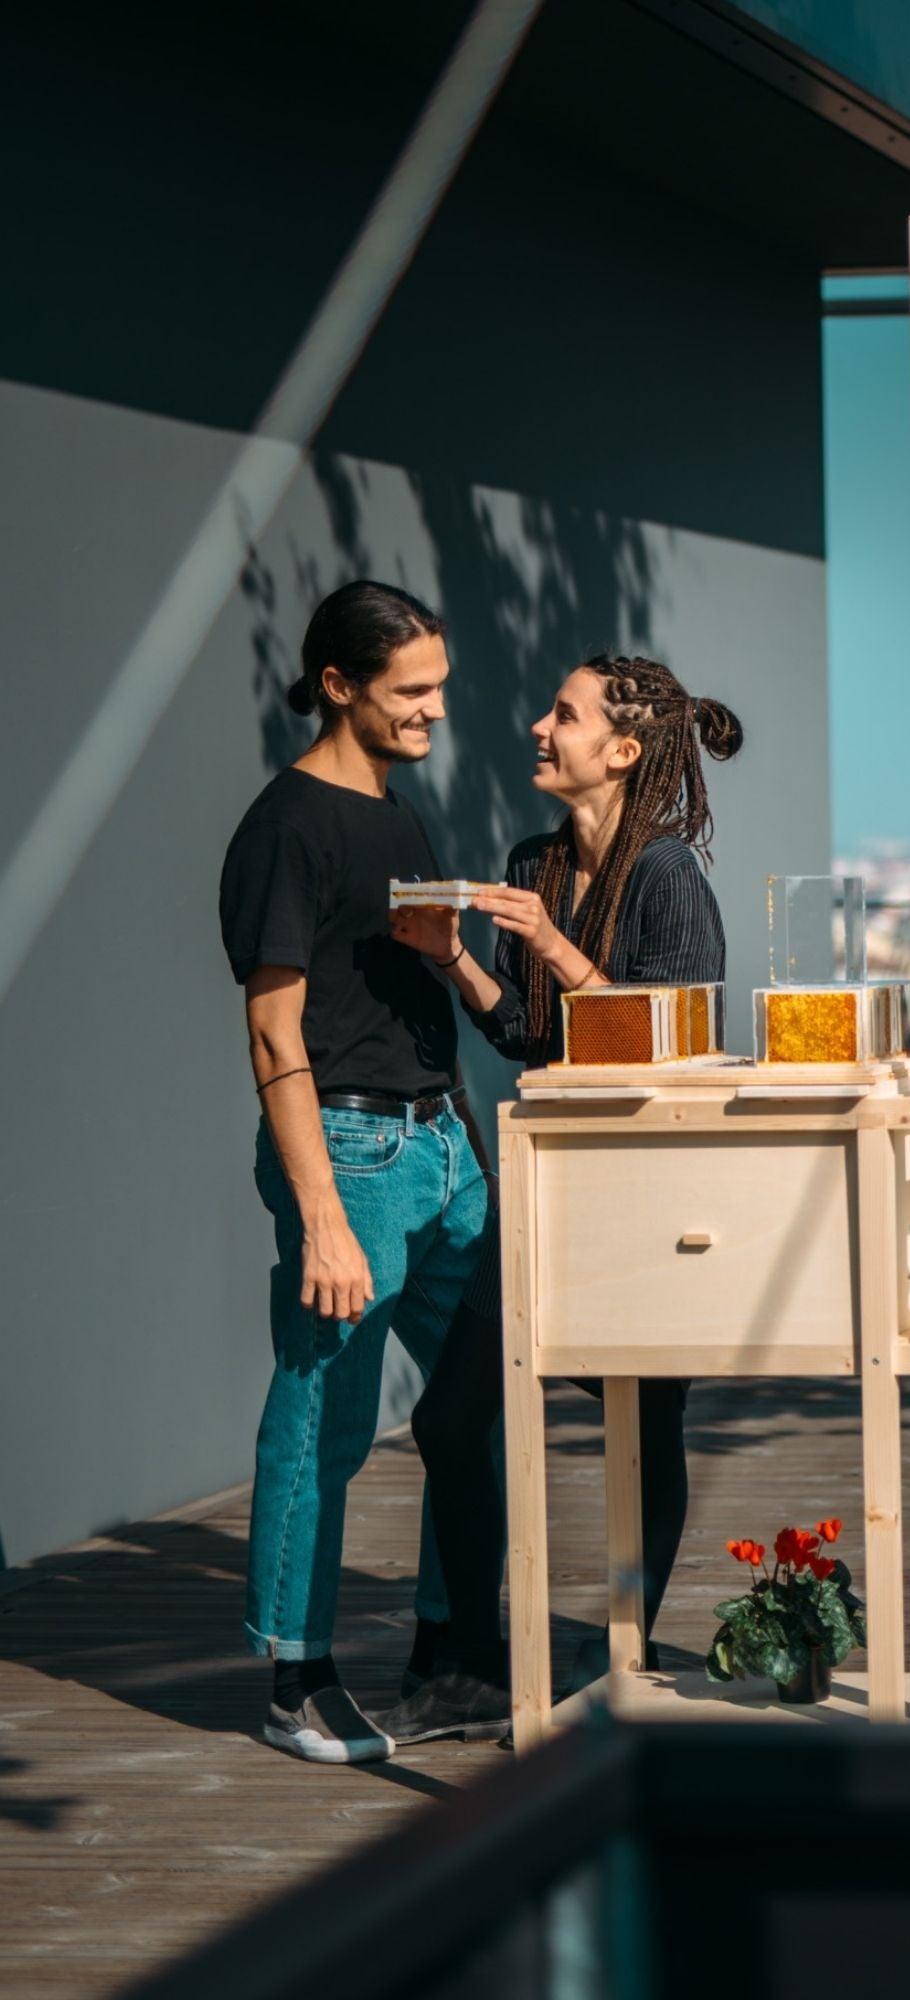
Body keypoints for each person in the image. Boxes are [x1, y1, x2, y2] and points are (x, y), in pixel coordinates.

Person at [375, 652, 742, 1744]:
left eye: (564, 714)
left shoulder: (666, 871)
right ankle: (468, 1658)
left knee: (643, 1420)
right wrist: (457, 962)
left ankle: (621, 1652)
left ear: (621, 751)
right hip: (547, 1188)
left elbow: (676, 1036)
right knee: (449, 1410)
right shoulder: (531, 859)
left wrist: (552, 942)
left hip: (651, 1194)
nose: (538, 725)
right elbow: (530, 1038)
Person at [219, 581, 497, 1762]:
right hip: (350, 1152)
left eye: (438, 682)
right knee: (321, 1420)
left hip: (442, 1145)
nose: (437, 708)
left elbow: (414, 987)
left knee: (476, 1406)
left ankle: (447, 1652)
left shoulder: (397, 813)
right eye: (413, 690)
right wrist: (324, 1217)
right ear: (339, 686)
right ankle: (296, 1679)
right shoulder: (286, 827)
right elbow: (276, 1036)